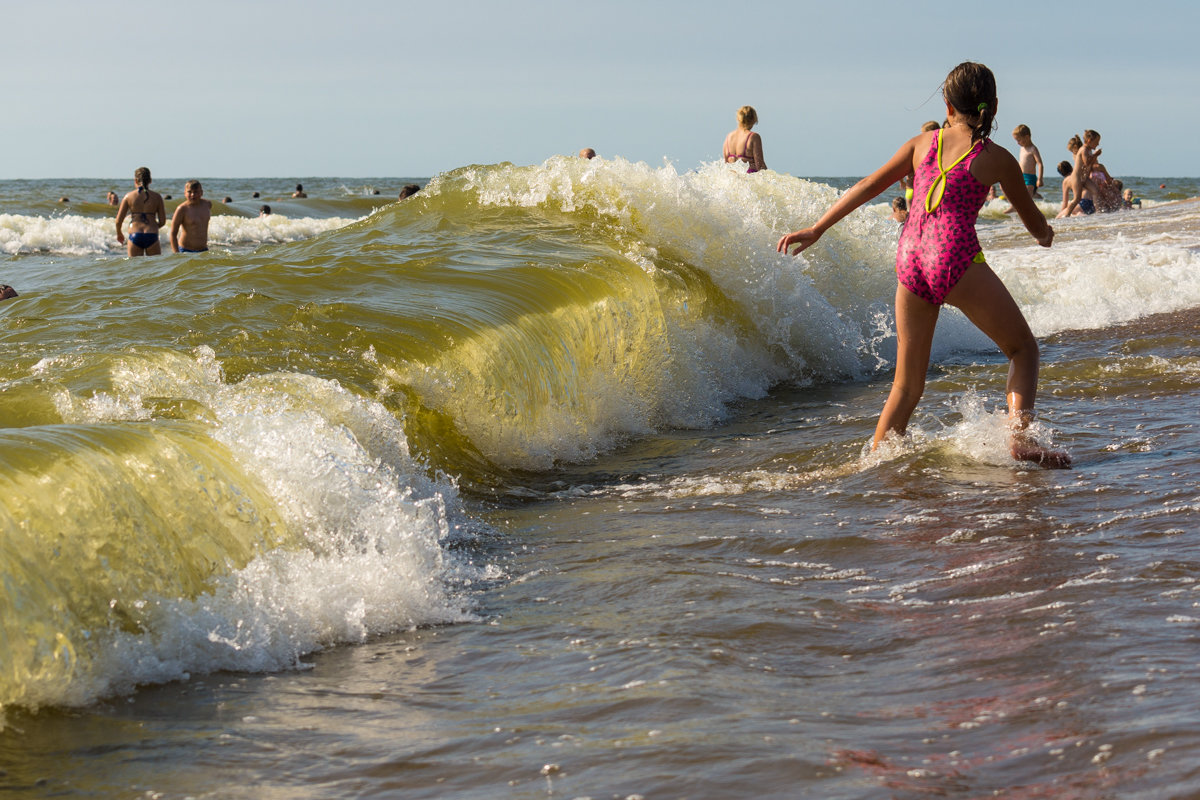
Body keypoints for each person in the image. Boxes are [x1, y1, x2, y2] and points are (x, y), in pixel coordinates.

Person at [776, 62, 1068, 468]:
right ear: (994, 107)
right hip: (954, 258)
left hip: (910, 260)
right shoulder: (998, 159)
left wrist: (818, 227)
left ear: (947, 105)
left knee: (906, 385)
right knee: (1024, 351)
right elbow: (1033, 220)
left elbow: (868, 186)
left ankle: (875, 463)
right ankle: (1019, 439)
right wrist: (1045, 235)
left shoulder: (922, 143)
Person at [115, 166, 167, 256]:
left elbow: (118, 221)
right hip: (152, 234)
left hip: (135, 234)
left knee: (135, 268)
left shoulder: (128, 196)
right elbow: (162, 221)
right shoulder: (157, 197)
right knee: (154, 267)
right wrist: (153, 226)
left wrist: (119, 233)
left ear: (135, 180)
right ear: (150, 180)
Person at [170, 179, 212, 253]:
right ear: (185, 193)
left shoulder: (207, 205)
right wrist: (176, 254)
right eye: (189, 192)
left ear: (201, 193)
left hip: (204, 250)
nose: (193, 195)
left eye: (196, 192)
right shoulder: (182, 209)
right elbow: (173, 234)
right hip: (185, 250)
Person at [722, 105, 766, 173]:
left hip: (731, 179)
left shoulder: (729, 137)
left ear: (738, 118)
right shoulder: (753, 137)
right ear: (754, 119)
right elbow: (760, 165)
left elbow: (726, 164)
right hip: (749, 179)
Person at [1011, 124, 1043, 198]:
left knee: (1027, 198)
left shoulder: (1033, 149)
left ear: (1027, 137)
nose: (1017, 143)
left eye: (1019, 140)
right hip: (1021, 176)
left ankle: (1037, 198)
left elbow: (1040, 164)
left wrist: (1040, 179)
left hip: (1030, 178)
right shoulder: (1022, 149)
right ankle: (1036, 196)